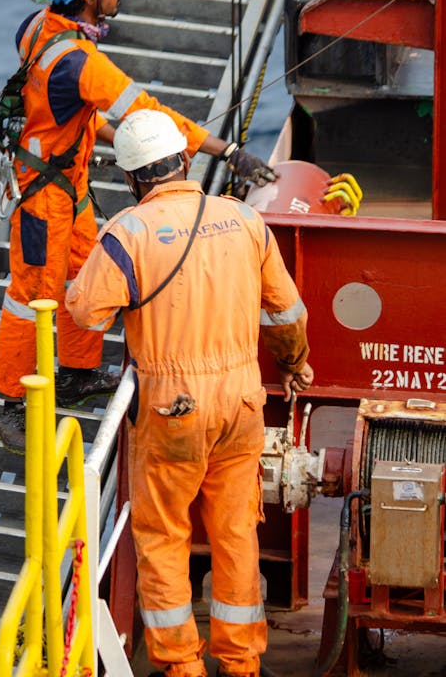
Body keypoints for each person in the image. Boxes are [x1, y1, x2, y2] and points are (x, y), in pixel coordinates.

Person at [0, 0, 277, 454]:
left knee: (82, 273)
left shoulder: (38, 28)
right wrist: (227, 152)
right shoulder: (84, 64)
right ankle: (11, 407)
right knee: (31, 298)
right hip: (45, 196)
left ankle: (74, 373)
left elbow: (66, 109)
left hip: (63, 183)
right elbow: (149, 114)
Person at [65, 109, 313, 677]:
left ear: (131, 178)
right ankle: (242, 661)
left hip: (171, 405)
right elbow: (285, 311)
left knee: (162, 536)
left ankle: (180, 665)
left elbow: (84, 313)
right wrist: (295, 364)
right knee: (235, 531)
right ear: (183, 160)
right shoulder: (244, 220)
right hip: (243, 399)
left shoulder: (128, 232)